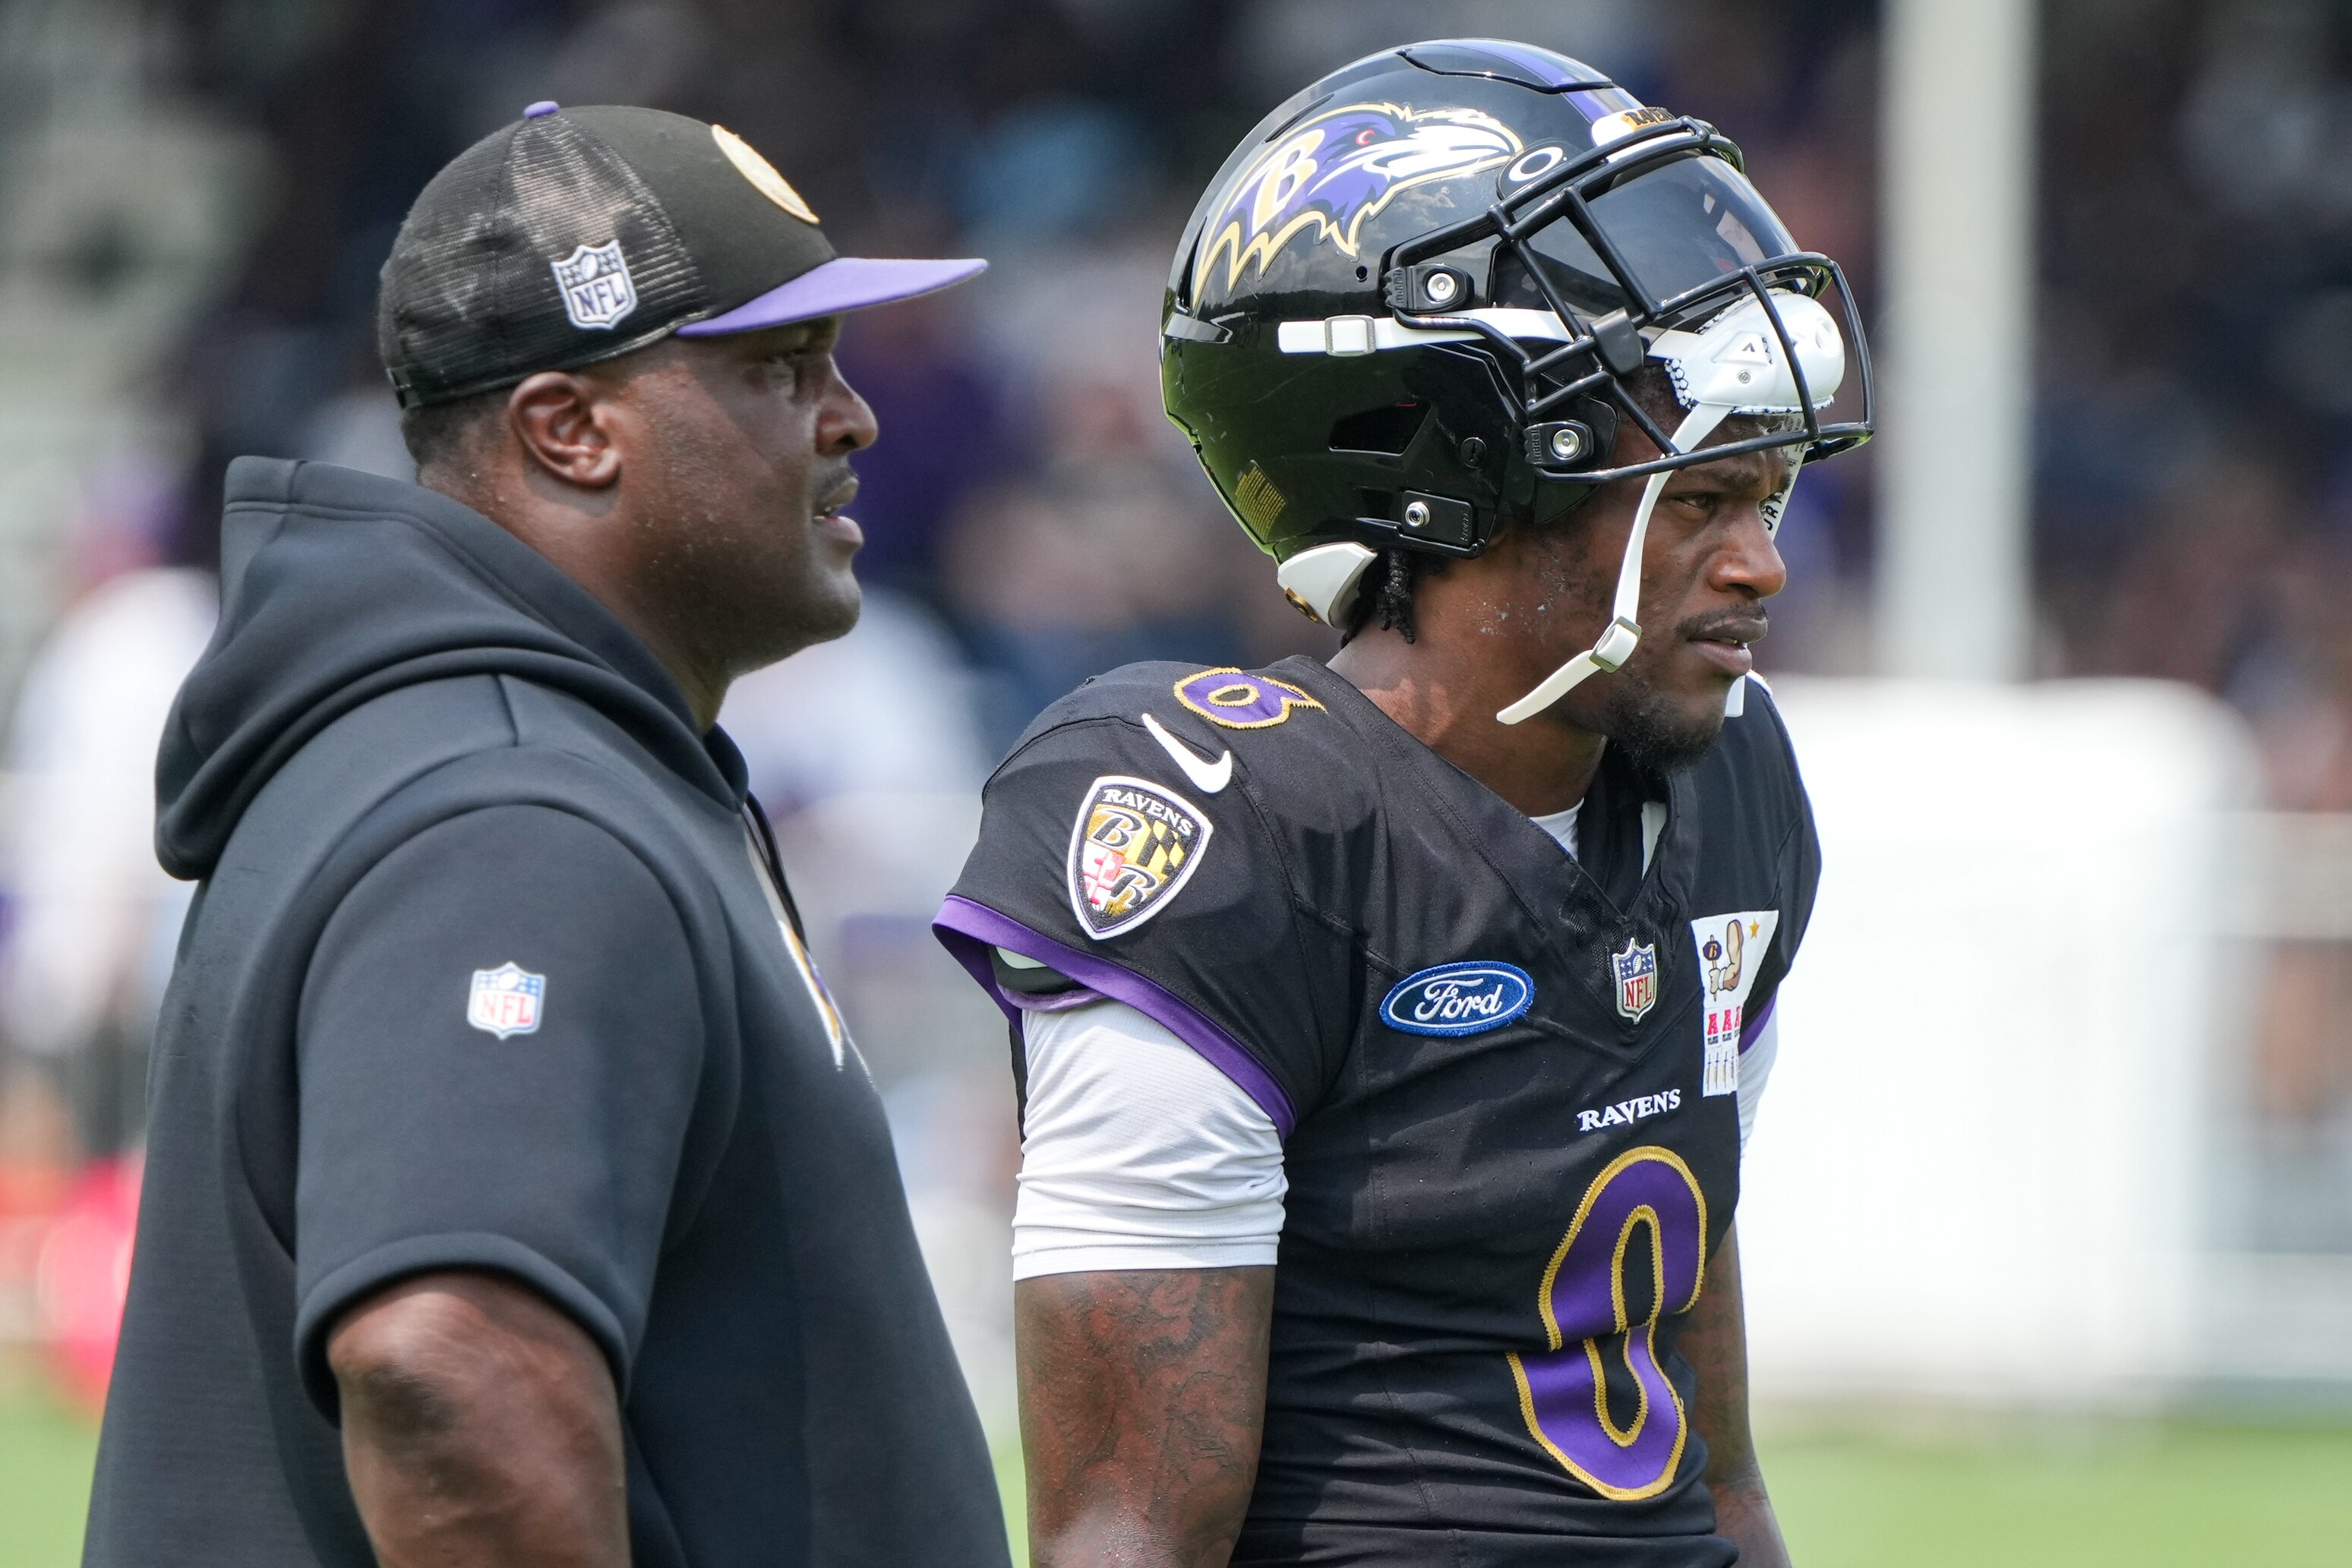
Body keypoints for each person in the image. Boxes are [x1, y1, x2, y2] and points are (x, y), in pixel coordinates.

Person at [933, 39, 1870, 1568]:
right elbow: (1127, 1531)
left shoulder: (1728, 778)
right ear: (1458, 472)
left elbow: (1714, 1467)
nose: (1759, 564)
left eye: (1763, 500)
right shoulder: (1235, 823)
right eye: (1697, 502)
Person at [84, 103, 1010, 1568]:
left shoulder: (509, 758)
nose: (851, 419)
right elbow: (449, 1364)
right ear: (569, 430)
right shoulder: (517, 809)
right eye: (779, 368)